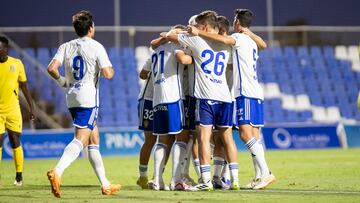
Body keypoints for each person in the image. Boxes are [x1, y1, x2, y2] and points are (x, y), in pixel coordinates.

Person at [188, 9, 275, 190]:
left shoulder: (239, 38)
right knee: (254, 137)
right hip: (255, 92)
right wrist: (249, 32)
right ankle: (259, 176)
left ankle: (266, 173)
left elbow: (225, 40)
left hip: (245, 92)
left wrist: (199, 33)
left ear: (237, 23)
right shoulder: (250, 39)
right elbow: (264, 45)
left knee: (244, 134)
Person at [46, 10, 120, 198]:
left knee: (93, 139)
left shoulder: (66, 46)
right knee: (81, 138)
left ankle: (105, 184)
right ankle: (58, 171)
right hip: (88, 98)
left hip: (72, 97)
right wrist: (109, 68)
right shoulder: (96, 47)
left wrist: (63, 81)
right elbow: (108, 74)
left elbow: (51, 68)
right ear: (91, 28)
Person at [165, 11, 240, 191]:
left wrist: (191, 33)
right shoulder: (227, 45)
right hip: (225, 98)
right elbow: (230, 57)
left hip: (206, 98)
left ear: (204, 26)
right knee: (227, 138)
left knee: (203, 138)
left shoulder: (197, 40)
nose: (195, 29)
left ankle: (205, 180)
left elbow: (170, 36)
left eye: (198, 26)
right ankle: (235, 180)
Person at [0, 36, 35, 186]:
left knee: (15, 141)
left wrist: (31, 107)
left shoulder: (17, 64)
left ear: (6, 49)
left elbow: (25, 87)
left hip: (13, 109)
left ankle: (19, 176)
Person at [136, 62, 156, 189]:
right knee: (151, 139)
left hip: (166, 99)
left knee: (166, 140)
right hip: (149, 99)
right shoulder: (155, 54)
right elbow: (142, 74)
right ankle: (143, 176)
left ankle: (157, 177)